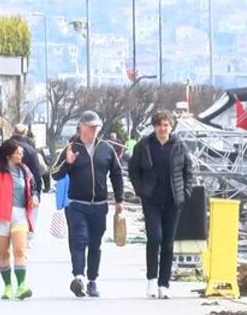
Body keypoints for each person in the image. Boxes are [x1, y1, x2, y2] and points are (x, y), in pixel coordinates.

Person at [51, 111, 124, 299]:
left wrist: (119, 199)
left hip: (99, 205)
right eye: (91, 126)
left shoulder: (106, 149)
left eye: (96, 127)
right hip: (77, 204)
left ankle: (92, 280)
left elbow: (116, 174)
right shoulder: (71, 148)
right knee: (79, 240)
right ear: (81, 126)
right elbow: (55, 174)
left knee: (95, 243)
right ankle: (79, 277)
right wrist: (67, 163)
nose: (94, 130)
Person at [128, 110, 194, 299]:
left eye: (166, 125)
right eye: (159, 125)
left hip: (173, 200)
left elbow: (188, 171)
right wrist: (140, 189)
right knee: (154, 238)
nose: (163, 128)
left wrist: (186, 192)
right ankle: (151, 280)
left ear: (170, 127)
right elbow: (133, 170)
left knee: (168, 243)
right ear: (154, 126)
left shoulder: (179, 146)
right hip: (151, 199)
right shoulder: (144, 145)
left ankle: (163, 284)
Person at [0, 139, 36, 300]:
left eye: (21, 153)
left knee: (20, 251)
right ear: (8, 155)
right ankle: (7, 286)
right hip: (0, 214)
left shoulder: (25, 170)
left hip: (20, 214)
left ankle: (21, 286)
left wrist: (34, 196)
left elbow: (33, 186)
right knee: (4, 253)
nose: (21, 155)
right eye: (17, 152)